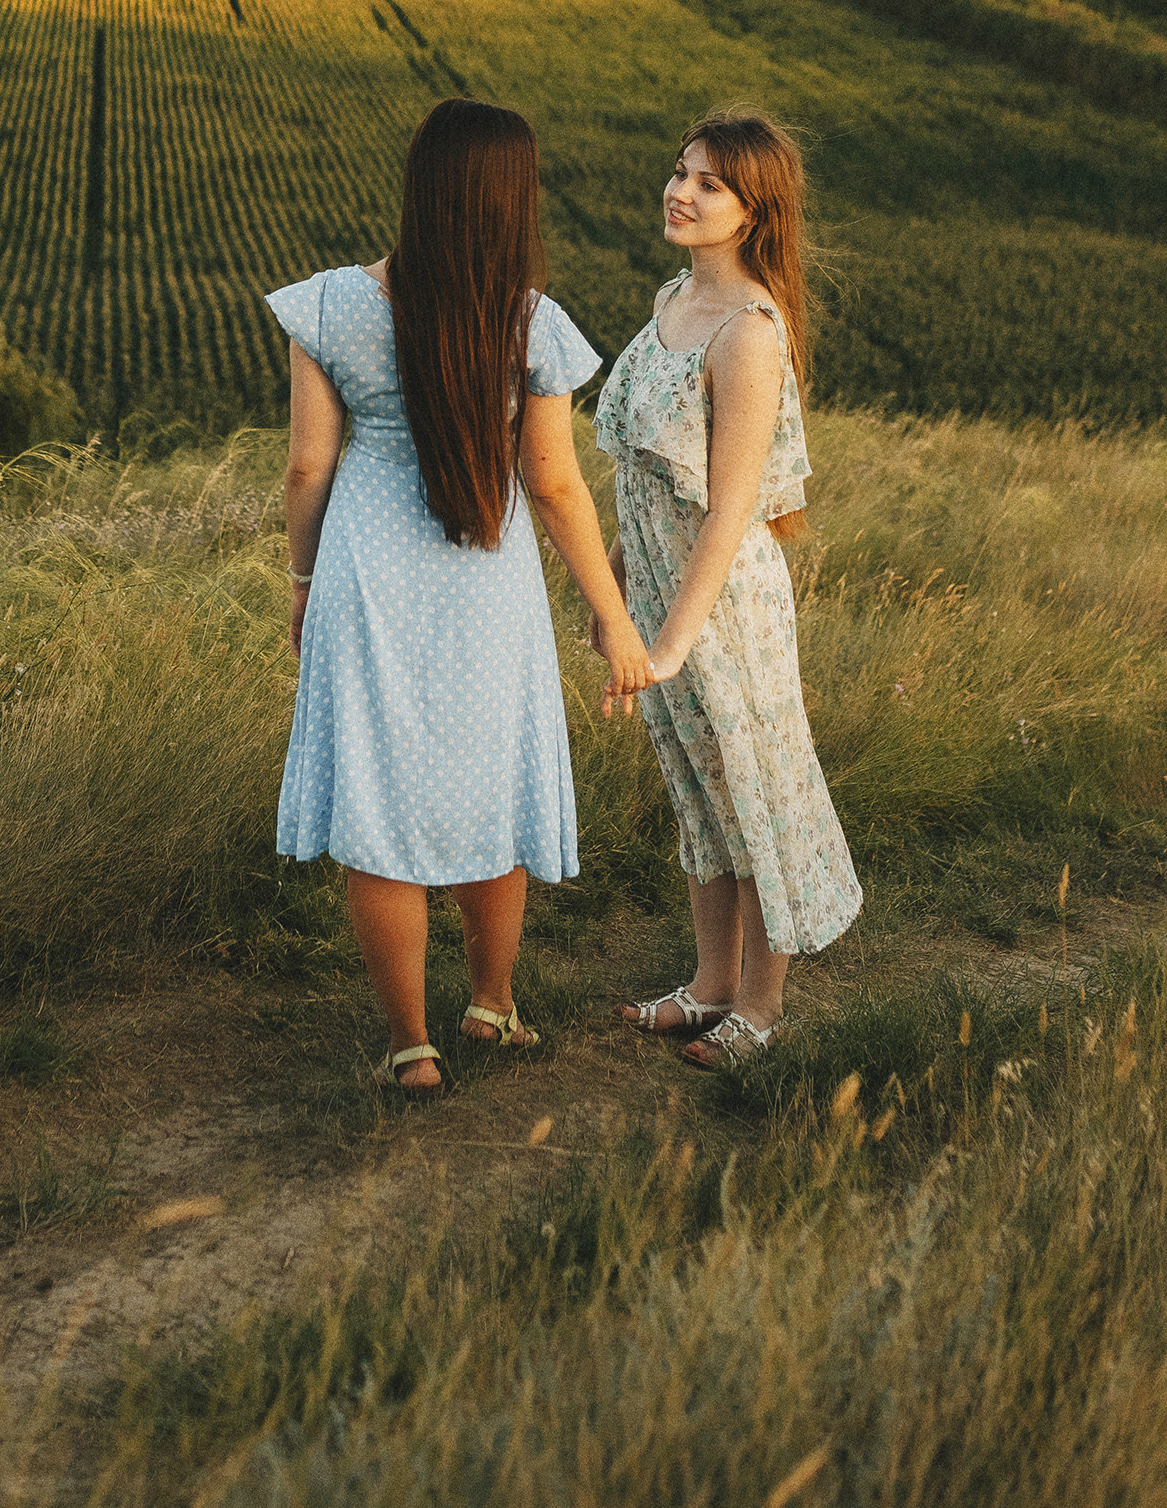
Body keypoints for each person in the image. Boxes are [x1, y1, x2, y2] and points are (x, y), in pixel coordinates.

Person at [270, 95, 653, 1098]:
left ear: (420, 185)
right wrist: (612, 617)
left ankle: (410, 1047)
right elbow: (556, 484)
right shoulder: (533, 324)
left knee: (377, 801)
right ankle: (491, 1006)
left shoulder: (326, 305)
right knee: (491, 783)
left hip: (366, 574)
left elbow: (308, 470)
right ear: (511, 202)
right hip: (488, 582)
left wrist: (305, 582)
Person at [596, 109, 861, 1068]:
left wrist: (670, 639)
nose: (682, 192)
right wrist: (616, 595)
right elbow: (638, 471)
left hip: (724, 607)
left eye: (710, 184)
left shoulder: (750, 333)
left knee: (755, 793)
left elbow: (728, 510)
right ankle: (709, 985)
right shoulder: (672, 300)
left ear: (754, 212)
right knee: (698, 793)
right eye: (681, 173)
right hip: (659, 594)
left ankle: (761, 1005)